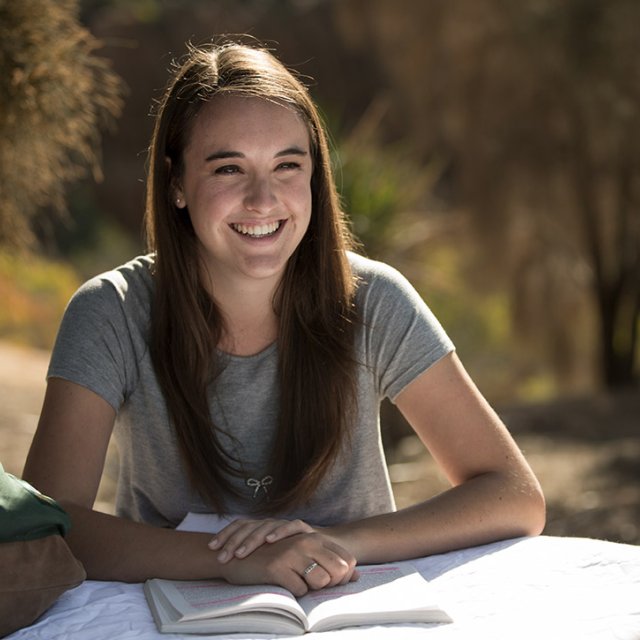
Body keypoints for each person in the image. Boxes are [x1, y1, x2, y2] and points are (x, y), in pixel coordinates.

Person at [23, 39, 545, 597]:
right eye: (228, 168)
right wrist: (234, 560)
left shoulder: (374, 299)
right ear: (175, 182)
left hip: (346, 615)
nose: (263, 199)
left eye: (287, 165)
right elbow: (49, 524)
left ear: (315, 177)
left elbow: (513, 494)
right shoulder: (112, 311)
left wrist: (338, 543)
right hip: (162, 620)